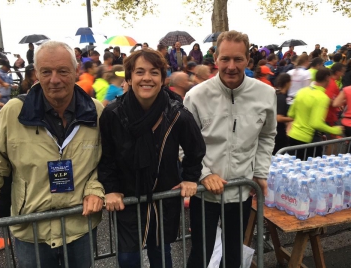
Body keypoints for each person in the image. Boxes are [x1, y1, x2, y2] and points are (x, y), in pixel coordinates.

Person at [0, 41, 105, 268]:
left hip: (79, 227)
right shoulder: (13, 112)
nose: (55, 79)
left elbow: (107, 161)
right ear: (36, 74)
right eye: (46, 71)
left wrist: (95, 188)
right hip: (32, 230)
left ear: (76, 72)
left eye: (62, 71)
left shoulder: (96, 111)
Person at [98, 49, 206, 268]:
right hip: (127, 198)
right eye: (139, 72)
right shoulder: (113, 114)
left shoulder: (176, 112)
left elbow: (196, 149)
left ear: (162, 79)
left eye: (154, 72)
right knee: (128, 258)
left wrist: (190, 177)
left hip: (163, 197)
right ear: (129, 78)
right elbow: (106, 156)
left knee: (161, 254)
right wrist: (110, 188)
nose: (147, 78)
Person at [184, 30, 276, 268]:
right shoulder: (195, 96)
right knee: (200, 255)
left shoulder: (266, 94)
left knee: (234, 254)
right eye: (225, 59)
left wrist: (261, 172)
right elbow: (183, 146)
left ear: (248, 60)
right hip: (204, 193)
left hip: (241, 189)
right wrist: (204, 175)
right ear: (215, 59)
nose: (231, 66)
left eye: (238, 59)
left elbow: (267, 135)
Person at [287, 68, 343, 159]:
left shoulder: (302, 91)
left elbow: (291, 114)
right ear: (327, 78)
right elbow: (316, 123)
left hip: (293, 136)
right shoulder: (322, 97)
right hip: (309, 140)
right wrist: (334, 130)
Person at [273, 73, 293, 155]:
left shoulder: (275, 93)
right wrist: (293, 118)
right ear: (287, 83)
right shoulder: (281, 98)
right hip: (278, 133)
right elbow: (279, 118)